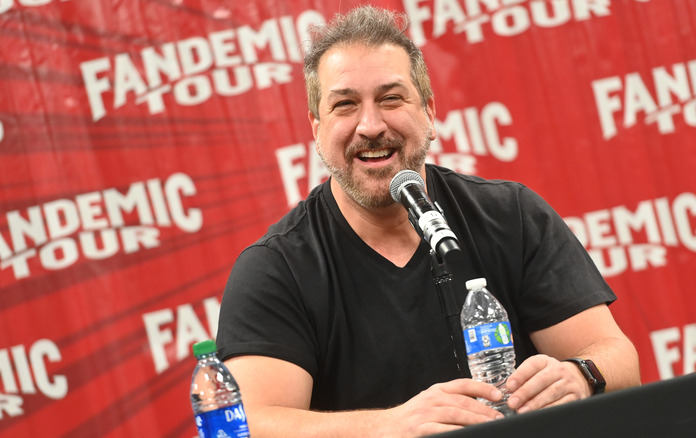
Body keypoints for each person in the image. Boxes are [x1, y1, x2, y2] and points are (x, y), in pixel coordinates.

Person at [216, 5, 640, 437]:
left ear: (430, 113)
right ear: (316, 128)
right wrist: (391, 425)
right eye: (345, 105)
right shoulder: (276, 268)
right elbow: (250, 425)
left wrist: (580, 375)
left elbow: (616, 355)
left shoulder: (510, 214)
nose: (370, 125)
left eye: (391, 98)